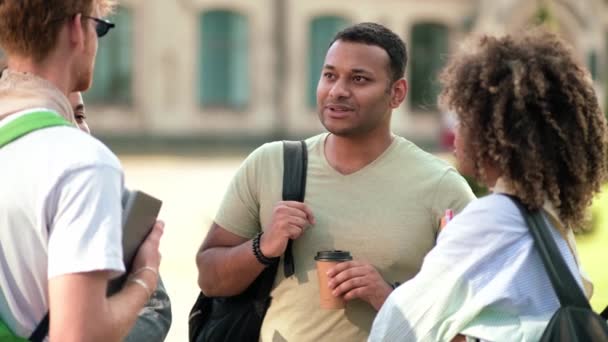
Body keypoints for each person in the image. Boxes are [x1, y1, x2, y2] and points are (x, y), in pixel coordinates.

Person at [196, 22, 475, 341]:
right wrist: (264, 246)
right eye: (330, 75)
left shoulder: (442, 187)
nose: (337, 90)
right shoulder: (270, 164)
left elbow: (472, 321)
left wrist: (387, 297)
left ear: (396, 93)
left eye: (359, 79)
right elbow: (210, 279)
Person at [369, 30, 607, 341]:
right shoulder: (547, 218)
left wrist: (382, 295)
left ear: (498, 134)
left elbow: (399, 328)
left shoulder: (495, 219)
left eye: (465, 117)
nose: (456, 131)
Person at [0, 1, 164, 341]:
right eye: (98, 27)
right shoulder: (82, 162)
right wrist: (144, 277)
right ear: (77, 29)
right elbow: (77, 336)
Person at [67, 91, 172, 342]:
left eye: (80, 115)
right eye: (59, 117)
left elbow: (157, 311)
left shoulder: (113, 199)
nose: (78, 129)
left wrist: (144, 276)